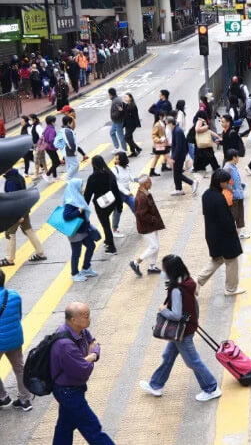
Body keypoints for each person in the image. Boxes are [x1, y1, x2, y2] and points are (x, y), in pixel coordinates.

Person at [139, 255, 222, 400]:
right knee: (168, 356)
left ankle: (211, 388)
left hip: (182, 332)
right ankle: (156, 385)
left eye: (164, 269)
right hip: (185, 328)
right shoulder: (188, 281)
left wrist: (162, 309)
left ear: (170, 271)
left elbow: (176, 315)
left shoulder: (177, 289)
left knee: (193, 361)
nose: (163, 271)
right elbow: (193, 305)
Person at [50, 302, 113, 444]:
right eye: (86, 316)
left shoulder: (81, 331)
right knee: (93, 429)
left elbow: (94, 344)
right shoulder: (64, 344)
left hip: (71, 389)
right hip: (68, 392)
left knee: (64, 427)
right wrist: (92, 356)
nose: (89, 319)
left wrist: (92, 355)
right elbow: (83, 370)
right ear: (73, 320)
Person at [198, 169, 245, 295]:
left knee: (217, 260)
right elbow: (225, 220)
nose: (228, 184)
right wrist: (234, 231)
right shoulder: (219, 198)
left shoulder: (206, 195)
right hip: (224, 237)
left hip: (211, 234)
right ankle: (231, 288)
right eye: (226, 182)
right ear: (220, 183)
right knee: (232, 261)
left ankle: (197, 282)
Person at [0, 270, 32, 411]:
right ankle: (25, 399)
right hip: (15, 338)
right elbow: (18, 316)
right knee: (19, 368)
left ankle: (3, 397)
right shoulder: (14, 295)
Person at [1, 169, 46, 267]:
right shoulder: (18, 176)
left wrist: (19, 215)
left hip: (15, 212)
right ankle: (40, 252)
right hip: (24, 207)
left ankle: (10, 259)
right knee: (28, 230)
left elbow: (13, 199)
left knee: (10, 234)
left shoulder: (10, 181)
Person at [63, 179, 99, 282]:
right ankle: (74, 274)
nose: (82, 188)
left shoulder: (77, 197)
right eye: (80, 186)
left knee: (91, 246)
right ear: (75, 187)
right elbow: (66, 216)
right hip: (75, 232)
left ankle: (86, 268)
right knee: (76, 253)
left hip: (82, 229)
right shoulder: (70, 201)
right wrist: (79, 210)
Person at [128, 175, 165, 277]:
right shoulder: (141, 197)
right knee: (153, 246)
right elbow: (142, 214)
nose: (151, 184)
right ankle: (136, 262)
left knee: (155, 246)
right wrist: (153, 219)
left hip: (151, 225)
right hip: (147, 226)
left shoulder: (146, 193)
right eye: (150, 182)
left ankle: (152, 266)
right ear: (145, 184)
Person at [84, 156, 121, 255]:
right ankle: (108, 240)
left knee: (106, 225)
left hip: (100, 205)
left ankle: (112, 248)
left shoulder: (92, 177)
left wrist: (84, 208)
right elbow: (116, 190)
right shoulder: (109, 173)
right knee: (106, 224)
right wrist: (119, 204)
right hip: (111, 202)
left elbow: (87, 194)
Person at [223, 149, 250, 239]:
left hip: (239, 195)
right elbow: (224, 183)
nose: (238, 158)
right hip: (233, 197)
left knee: (240, 216)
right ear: (234, 157)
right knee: (233, 216)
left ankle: (239, 233)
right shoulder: (227, 168)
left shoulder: (233, 166)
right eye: (237, 157)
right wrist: (232, 191)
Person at [167, 117, 197, 196]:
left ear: (170, 124)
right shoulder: (176, 130)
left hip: (179, 156)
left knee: (177, 174)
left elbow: (178, 146)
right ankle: (178, 189)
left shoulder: (177, 131)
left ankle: (192, 182)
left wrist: (173, 158)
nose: (167, 127)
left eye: (167, 125)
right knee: (176, 173)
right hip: (179, 155)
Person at [110, 152, 135, 236]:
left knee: (135, 206)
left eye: (117, 159)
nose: (116, 160)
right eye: (115, 159)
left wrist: (138, 179)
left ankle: (140, 222)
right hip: (119, 194)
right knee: (117, 212)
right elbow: (117, 184)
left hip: (127, 192)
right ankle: (115, 230)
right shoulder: (114, 169)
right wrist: (127, 192)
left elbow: (131, 177)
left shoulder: (127, 167)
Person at [149, 111, 170, 177]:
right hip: (160, 144)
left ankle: (153, 170)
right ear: (160, 116)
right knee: (167, 156)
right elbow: (153, 135)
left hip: (163, 144)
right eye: (164, 116)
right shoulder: (157, 125)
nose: (165, 117)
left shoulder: (163, 123)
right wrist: (159, 140)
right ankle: (175, 170)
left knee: (157, 157)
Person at [42, 115, 61, 182]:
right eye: (54, 121)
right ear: (52, 122)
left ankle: (55, 176)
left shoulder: (47, 128)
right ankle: (47, 174)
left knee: (54, 161)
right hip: (51, 148)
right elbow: (51, 139)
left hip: (47, 148)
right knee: (57, 162)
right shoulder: (52, 130)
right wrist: (57, 143)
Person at [108, 88, 126, 153]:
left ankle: (124, 149)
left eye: (109, 94)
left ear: (110, 94)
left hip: (118, 121)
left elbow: (119, 111)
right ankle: (117, 147)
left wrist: (113, 116)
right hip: (115, 121)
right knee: (112, 132)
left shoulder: (116, 101)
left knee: (120, 135)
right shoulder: (116, 99)